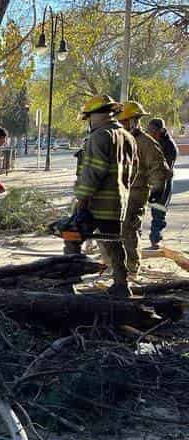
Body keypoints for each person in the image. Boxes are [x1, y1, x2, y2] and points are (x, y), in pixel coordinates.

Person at [72, 94, 138, 297]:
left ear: (96, 116)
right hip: (118, 203)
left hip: (96, 203)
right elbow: (133, 172)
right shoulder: (128, 137)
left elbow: (93, 173)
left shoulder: (99, 136)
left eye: (89, 118)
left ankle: (68, 281)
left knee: (71, 236)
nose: (89, 122)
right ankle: (121, 283)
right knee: (114, 241)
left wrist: (81, 205)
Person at [116, 101, 167, 278]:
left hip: (137, 192)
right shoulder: (119, 139)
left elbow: (159, 169)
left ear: (133, 121)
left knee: (128, 229)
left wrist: (156, 191)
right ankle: (119, 265)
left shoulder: (145, 143)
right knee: (115, 230)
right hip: (120, 191)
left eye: (123, 121)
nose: (120, 124)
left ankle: (131, 268)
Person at [146, 117, 178, 248]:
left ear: (161, 130)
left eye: (153, 131)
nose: (151, 134)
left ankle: (155, 239)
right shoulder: (149, 142)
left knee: (159, 210)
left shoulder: (169, 146)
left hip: (163, 182)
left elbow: (164, 170)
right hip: (149, 181)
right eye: (149, 131)